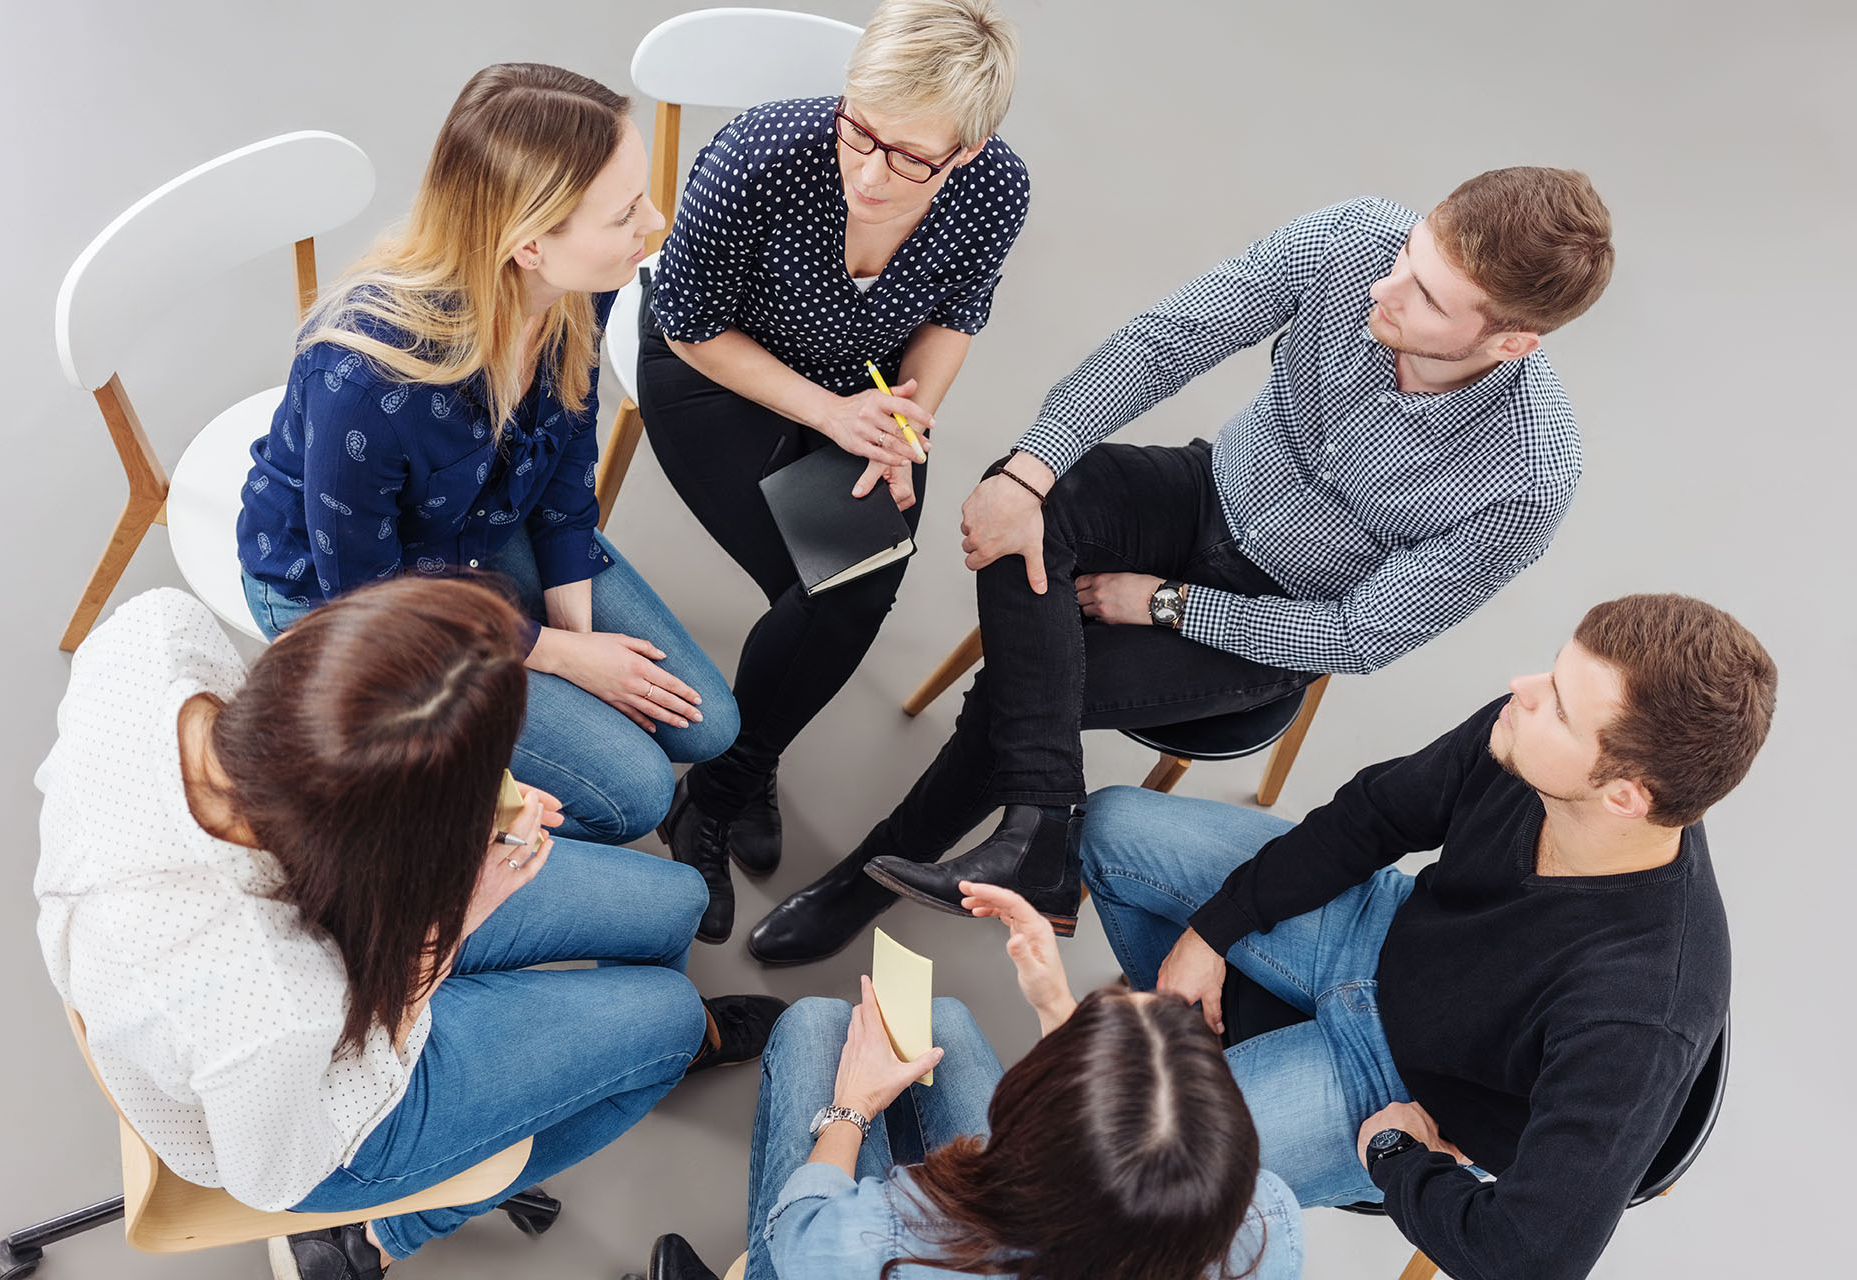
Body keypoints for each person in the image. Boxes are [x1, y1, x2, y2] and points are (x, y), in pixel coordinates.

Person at [747, 166, 1616, 962]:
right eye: (1407, 254)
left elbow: (1363, 635)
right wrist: (1028, 467)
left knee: (1028, 689)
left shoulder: (1529, 474)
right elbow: (1168, 340)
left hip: (1276, 619)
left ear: (1511, 343)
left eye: (1426, 296)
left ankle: (865, 878)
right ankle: (1044, 829)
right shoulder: (1355, 239)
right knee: (1026, 496)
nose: (1383, 290)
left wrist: (1169, 605)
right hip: (1207, 487)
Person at [33, 581, 786, 1280]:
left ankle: (628, 1046)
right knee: (671, 1023)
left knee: (678, 899)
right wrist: (457, 921)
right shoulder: (269, 1006)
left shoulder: (156, 634)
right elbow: (277, 1176)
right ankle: (385, 1232)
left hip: (314, 902)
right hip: (328, 1106)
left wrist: (444, 800)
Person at [1077, 594, 1775, 1279]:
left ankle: (1193, 1143)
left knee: (1120, 1180)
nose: (1523, 689)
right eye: (1553, 672)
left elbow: (1532, 1256)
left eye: (1559, 706)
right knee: (1109, 829)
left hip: (1407, 1093)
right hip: (1380, 935)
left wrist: (1397, 1156)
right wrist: (1212, 930)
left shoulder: (1640, 1011)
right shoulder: (1525, 741)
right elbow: (1375, 816)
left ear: (1625, 795)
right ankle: (1182, 1039)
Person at [236, 63, 738, 858]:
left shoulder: (580, 286)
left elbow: (569, 446)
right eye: (624, 214)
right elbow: (369, 600)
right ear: (530, 243)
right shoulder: (363, 382)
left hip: (480, 518)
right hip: (354, 595)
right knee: (636, 794)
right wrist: (562, 656)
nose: (657, 220)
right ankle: (477, 845)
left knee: (712, 726)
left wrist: (571, 620)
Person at [638, 0, 1030, 943]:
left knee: (851, 586)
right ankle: (733, 780)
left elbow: (955, 317)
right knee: (826, 589)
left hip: (868, 390)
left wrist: (908, 414)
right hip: (722, 372)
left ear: (967, 153)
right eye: (860, 131)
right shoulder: (757, 157)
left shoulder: (997, 190)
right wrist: (832, 416)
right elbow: (690, 327)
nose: (869, 170)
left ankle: (723, 783)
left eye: (909, 158)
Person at [642, 882, 1302, 1280]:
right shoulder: (1263, 1215)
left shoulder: (909, 1247)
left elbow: (806, 1238)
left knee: (816, 1026)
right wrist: (1052, 1004)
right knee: (943, 1023)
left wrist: (853, 1107)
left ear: (1034, 1144)